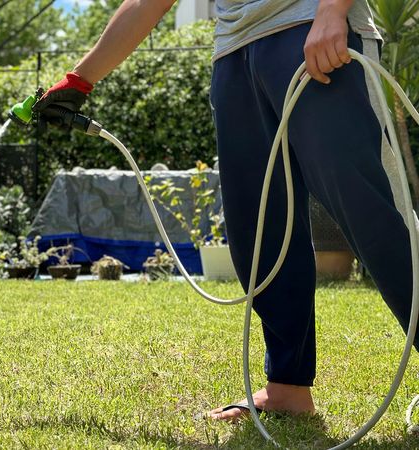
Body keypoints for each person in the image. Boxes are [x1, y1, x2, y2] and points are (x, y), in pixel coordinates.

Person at [32, 0, 416, 421]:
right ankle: (286, 387)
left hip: (313, 29)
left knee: (373, 213)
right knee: (260, 227)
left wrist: (332, 10)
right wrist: (79, 80)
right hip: (235, 51)